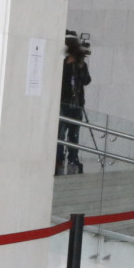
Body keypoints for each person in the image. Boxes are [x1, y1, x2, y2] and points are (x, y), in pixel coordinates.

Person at [56, 33, 91, 175]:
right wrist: (69, 64)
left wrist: (80, 66)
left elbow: (87, 81)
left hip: (76, 104)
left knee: (74, 133)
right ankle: (58, 159)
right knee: (60, 133)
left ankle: (73, 158)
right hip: (63, 103)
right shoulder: (63, 63)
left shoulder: (80, 64)